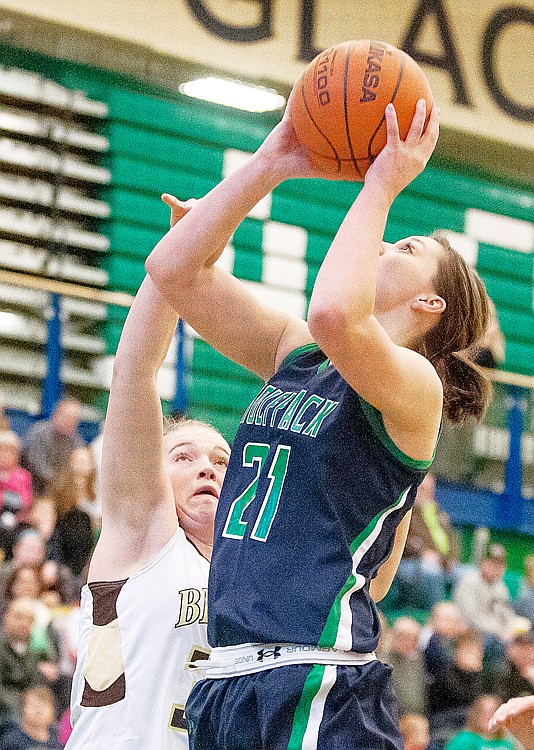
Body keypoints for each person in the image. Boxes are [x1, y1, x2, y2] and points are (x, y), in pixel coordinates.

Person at [146, 95, 492, 749]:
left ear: (429, 301)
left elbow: (337, 312)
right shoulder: (299, 352)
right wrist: (271, 161)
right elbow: (173, 269)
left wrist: (383, 183)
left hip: (315, 678)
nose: (384, 241)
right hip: (225, 679)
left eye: (406, 247)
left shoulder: (416, 387)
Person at [65, 202, 231, 749]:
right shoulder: (145, 537)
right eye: (183, 455)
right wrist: (176, 262)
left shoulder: (255, 580)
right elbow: (135, 370)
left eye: (222, 460)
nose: (206, 465)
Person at [21, 400, 85, 498]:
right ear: (55, 414)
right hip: (33, 488)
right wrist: (59, 481)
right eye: (67, 417)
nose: (70, 422)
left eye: (74, 419)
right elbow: (37, 465)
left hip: (61, 491)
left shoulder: (77, 442)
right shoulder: (39, 433)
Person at [0, 686, 61, 750]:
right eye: (33, 705)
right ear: (23, 708)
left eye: (44, 706)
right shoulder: (12, 740)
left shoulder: (57, 741)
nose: (38, 710)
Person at [445, 695, 513, 750]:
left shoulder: (505, 743)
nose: (488, 716)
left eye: (492, 712)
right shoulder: (464, 739)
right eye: (483, 712)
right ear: (475, 715)